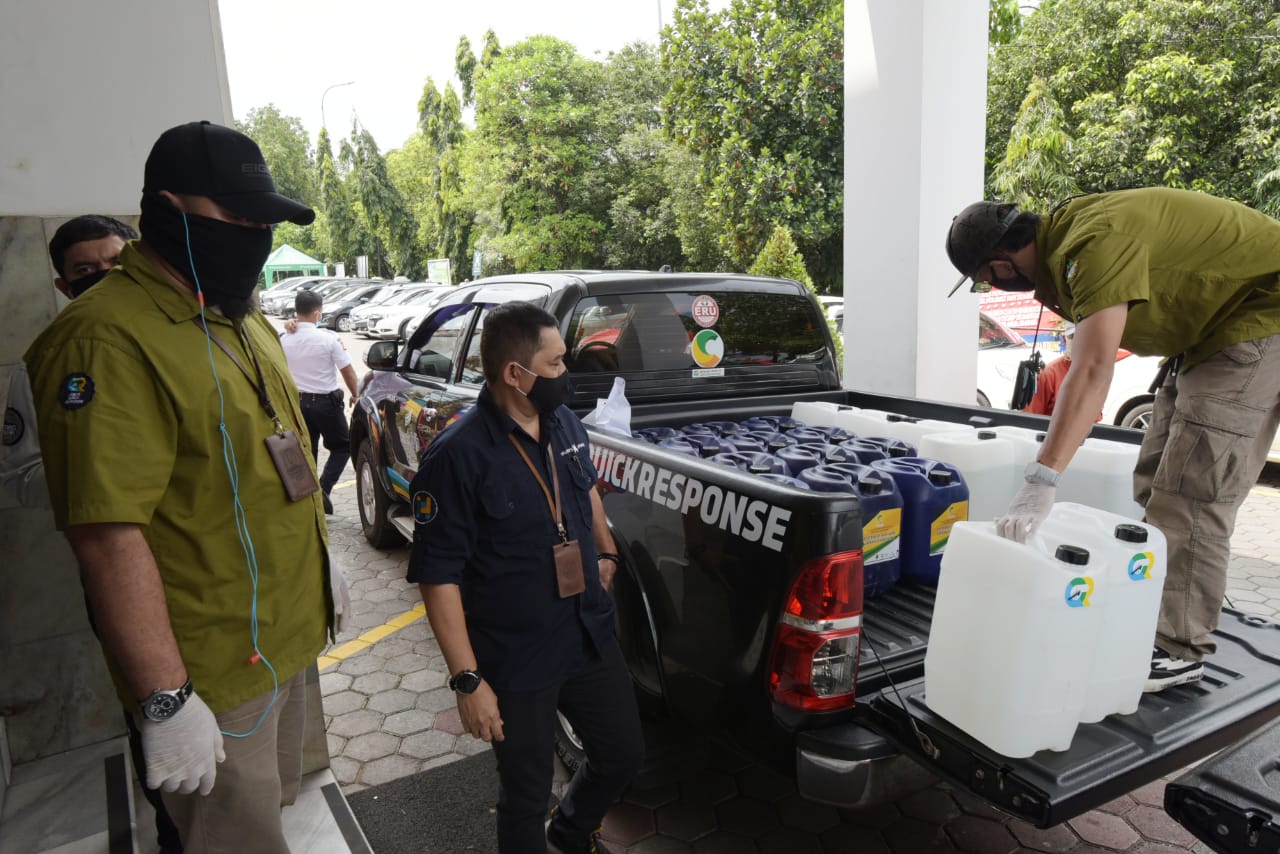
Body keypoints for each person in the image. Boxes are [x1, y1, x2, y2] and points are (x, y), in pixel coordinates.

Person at [24, 121, 339, 854]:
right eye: (237, 217)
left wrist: (325, 570)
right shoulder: (104, 339)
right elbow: (106, 534)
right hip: (214, 669)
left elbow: (277, 457)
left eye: (264, 221)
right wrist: (166, 698)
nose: (255, 235)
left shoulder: (235, 313)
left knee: (276, 808)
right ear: (166, 208)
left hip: (285, 637)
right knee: (235, 840)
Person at [946, 187, 1280, 692]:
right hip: (1212, 334)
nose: (992, 289)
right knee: (1155, 477)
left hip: (1260, 321)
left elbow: (1094, 368)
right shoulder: (1071, 242)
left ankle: (1177, 648)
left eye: (986, 282)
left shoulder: (1091, 243)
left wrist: (1042, 479)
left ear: (1002, 263)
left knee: (1191, 495)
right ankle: (1158, 609)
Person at [406, 301, 643, 853]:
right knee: (526, 795)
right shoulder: (457, 457)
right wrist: (468, 682)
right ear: (516, 374)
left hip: (587, 633)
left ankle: (571, 831)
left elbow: (585, 487)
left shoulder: (561, 420)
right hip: (516, 660)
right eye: (557, 363)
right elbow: (437, 577)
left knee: (623, 754)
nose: (569, 374)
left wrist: (606, 555)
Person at [280, 289, 358, 514]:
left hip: (298, 403)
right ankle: (323, 488)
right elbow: (348, 371)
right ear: (317, 312)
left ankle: (310, 499)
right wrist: (355, 393)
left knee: (308, 449)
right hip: (326, 404)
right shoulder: (329, 338)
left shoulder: (283, 338)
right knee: (344, 446)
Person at [1020, 325, 1102, 421]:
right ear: (1064, 338)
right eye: (1073, 336)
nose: (1079, 342)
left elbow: (1095, 418)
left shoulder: (1096, 372)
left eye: (1085, 336)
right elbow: (1030, 419)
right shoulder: (1049, 374)